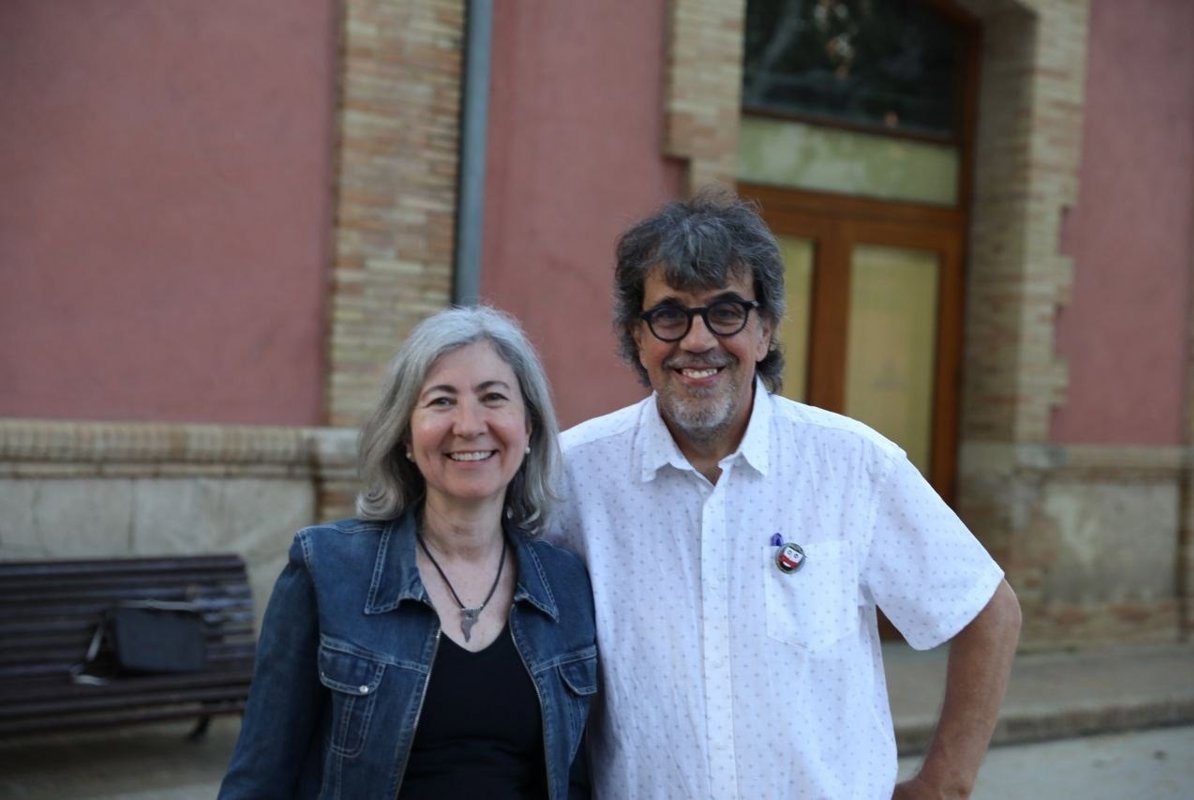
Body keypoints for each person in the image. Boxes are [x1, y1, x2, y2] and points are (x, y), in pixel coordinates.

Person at [550, 188, 1022, 799]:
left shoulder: (853, 465)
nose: (697, 340)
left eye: (726, 312)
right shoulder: (573, 476)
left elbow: (986, 610)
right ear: (637, 338)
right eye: (669, 315)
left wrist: (944, 783)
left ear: (766, 330)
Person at [219, 306, 597, 800]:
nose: (468, 425)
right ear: (405, 436)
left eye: (493, 398)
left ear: (529, 428)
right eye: (442, 401)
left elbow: (576, 780)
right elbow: (261, 776)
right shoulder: (328, 568)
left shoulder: (566, 584)